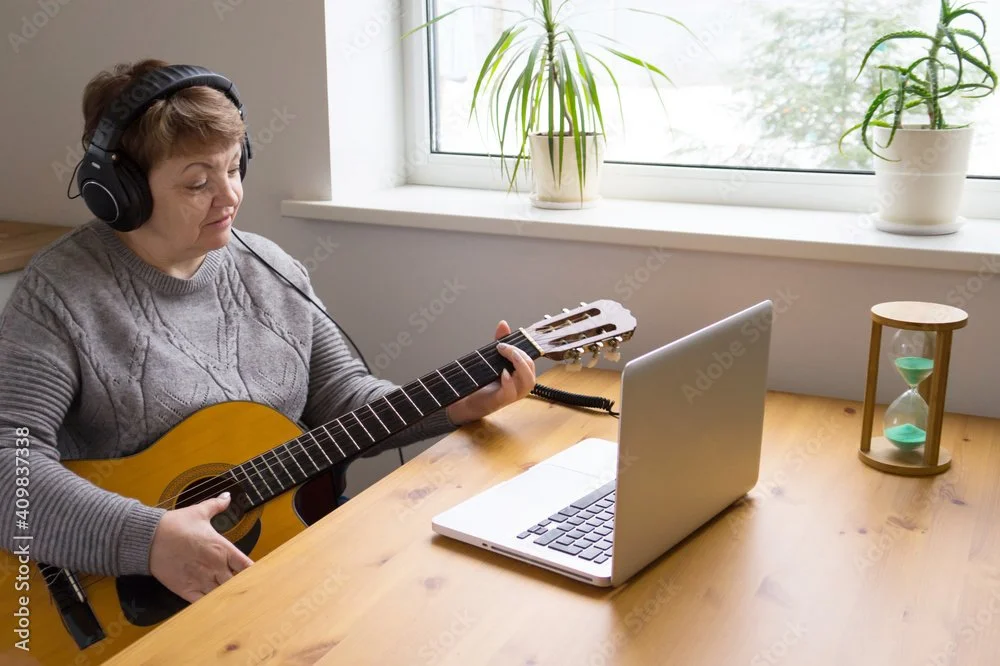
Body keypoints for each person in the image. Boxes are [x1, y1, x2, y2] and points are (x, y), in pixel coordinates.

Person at [0, 59, 536, 604]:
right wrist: (147, 538)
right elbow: (8, 467)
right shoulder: (58, 294)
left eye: (234, 169)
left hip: (286, 561)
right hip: (122, 603)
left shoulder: (269, 268)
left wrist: (455, 405)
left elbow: (343, 397)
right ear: (120, 191)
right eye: (197, 182)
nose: (228, 196)